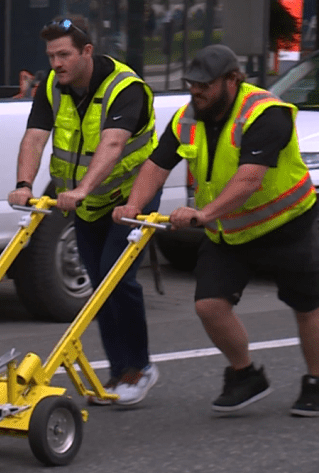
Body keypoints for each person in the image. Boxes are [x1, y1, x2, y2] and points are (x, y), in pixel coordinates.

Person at [113, 44, 319, 416]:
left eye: (205, 85)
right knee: (209, 306)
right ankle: (245, 375)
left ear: (232, 80)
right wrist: (134, 205)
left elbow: (249, 180)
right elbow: (157, 164)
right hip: (231, 230)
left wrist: (204, 214)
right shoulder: (188, 117)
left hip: (287, 223)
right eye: (192, 84)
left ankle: (317, 382)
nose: (196, 91)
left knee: (307, 307)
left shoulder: (265, 114)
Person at [6, 16, 161, 405]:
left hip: (132, 194)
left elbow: (111, 145)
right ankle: (118, 371)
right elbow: (34, 139)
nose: (56, 63)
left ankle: (138, 368)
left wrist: (81, 189)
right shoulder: (52, 88)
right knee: (98, 286)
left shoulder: (125, 89)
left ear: (87, 52)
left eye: (64, 55)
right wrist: (24, 185)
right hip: (87, 201)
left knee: (115, 277)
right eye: (51, 55)